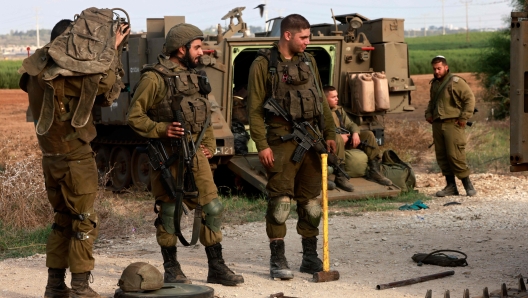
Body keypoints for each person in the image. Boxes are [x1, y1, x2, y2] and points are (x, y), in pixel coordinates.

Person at [127, 23, 244, 286]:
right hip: (168, 156)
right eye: (197, 47)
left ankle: (216, 267)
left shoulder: (197, 77)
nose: (202, 52)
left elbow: (207, 114)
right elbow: (134, 117)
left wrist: (210, 145)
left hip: (195, 154)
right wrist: (161, 129)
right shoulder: (153, 78)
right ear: (181, 49)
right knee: (170, 212)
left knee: (212, 207)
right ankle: (172, 268)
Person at [20, 19, 130, 298]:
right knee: (84, 221)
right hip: (75, 159)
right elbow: (106, 86)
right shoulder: (66, 76)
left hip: (52, 159)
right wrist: (112, 49)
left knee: (62, 221)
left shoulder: (36, 70)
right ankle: (81, 287)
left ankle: (54, 286)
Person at [247, 14, 337, 280]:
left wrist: (330, 132)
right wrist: (261, 144)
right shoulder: (264, 64)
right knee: (280, 204)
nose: (307, 42)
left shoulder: (308, 61)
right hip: (281, 141)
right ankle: (278, 259)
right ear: (287, 35)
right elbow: (253, 109)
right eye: (303, 37)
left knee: (310, 205)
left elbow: (321, 101)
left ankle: (309, 257)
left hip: (311, 139)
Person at [425, 55, 476, 197]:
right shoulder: (435, 84)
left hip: (453, 123)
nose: (436, 71)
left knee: (456, 155)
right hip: (438, 124)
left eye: (439, 68)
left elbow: (469, 99)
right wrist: (428, 113)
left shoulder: (456, 82)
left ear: (446, 67)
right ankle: (451, 186)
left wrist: (464, 117)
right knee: (442, 156)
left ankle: (467, 185)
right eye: (434, 69)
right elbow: (432, 102)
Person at [324, 85, 392, 189]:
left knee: (369, 135)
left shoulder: (338, 110)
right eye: (333, 97)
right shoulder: (320, 113)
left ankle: (374, 171)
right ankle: (340, 176)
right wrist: (337, 137)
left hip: (346, 139)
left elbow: (351, 124)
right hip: (330, 144)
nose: (337, 99)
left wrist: (355, 133)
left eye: (337, 96)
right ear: (325, 99)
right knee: (337, 138)